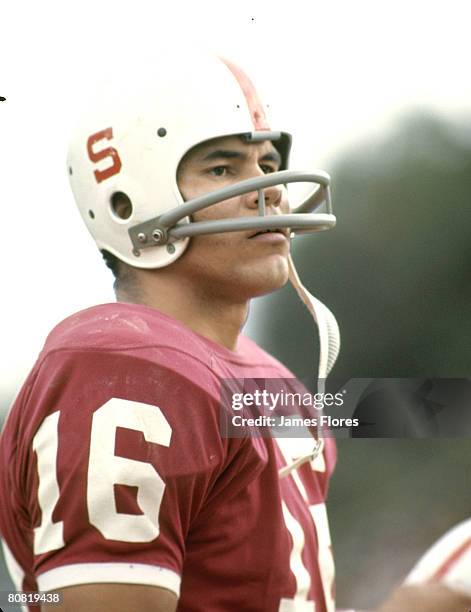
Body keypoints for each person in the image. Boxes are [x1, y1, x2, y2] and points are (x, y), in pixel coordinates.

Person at [0, 50, 469, 612]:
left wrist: (434, 596)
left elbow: (402, 408)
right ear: (127, 204)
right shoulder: (126, 367)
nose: (267, 190)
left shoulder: (262, 381)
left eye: (267, 164)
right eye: (223, 168)